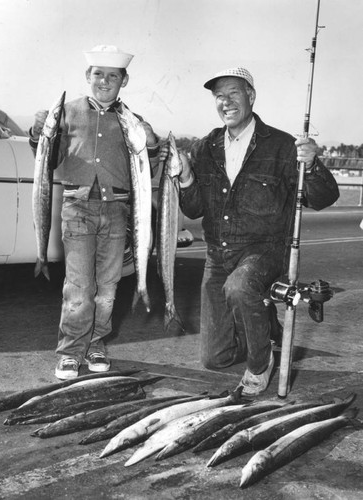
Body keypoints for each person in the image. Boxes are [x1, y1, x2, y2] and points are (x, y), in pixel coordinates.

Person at [174, 67, 339, 396]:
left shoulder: (281, 146)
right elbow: (193, 209)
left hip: (263, 252)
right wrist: (186, 177)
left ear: (250, 96)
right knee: (214, 359)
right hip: (218, 256)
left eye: (233, 93)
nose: (226, 101)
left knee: (241, 286)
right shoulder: (206, 147)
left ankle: (260, 365)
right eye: (219, 96)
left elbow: (324, 198)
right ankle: (265, 325)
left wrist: (314, 163)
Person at [29, 45, 161, 380]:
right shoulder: (67, 112)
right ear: (88, 77)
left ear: (124, 80)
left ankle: (97, 344)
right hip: (77, 209)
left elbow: (150, 166)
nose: (104, 81)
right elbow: (49, 157)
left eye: (112, 76)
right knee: (78, 286)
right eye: (98, 74)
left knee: (108, 287)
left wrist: (153, 141)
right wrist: (38, 132)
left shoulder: (132, 120)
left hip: (117, 212)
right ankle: (70, 352)